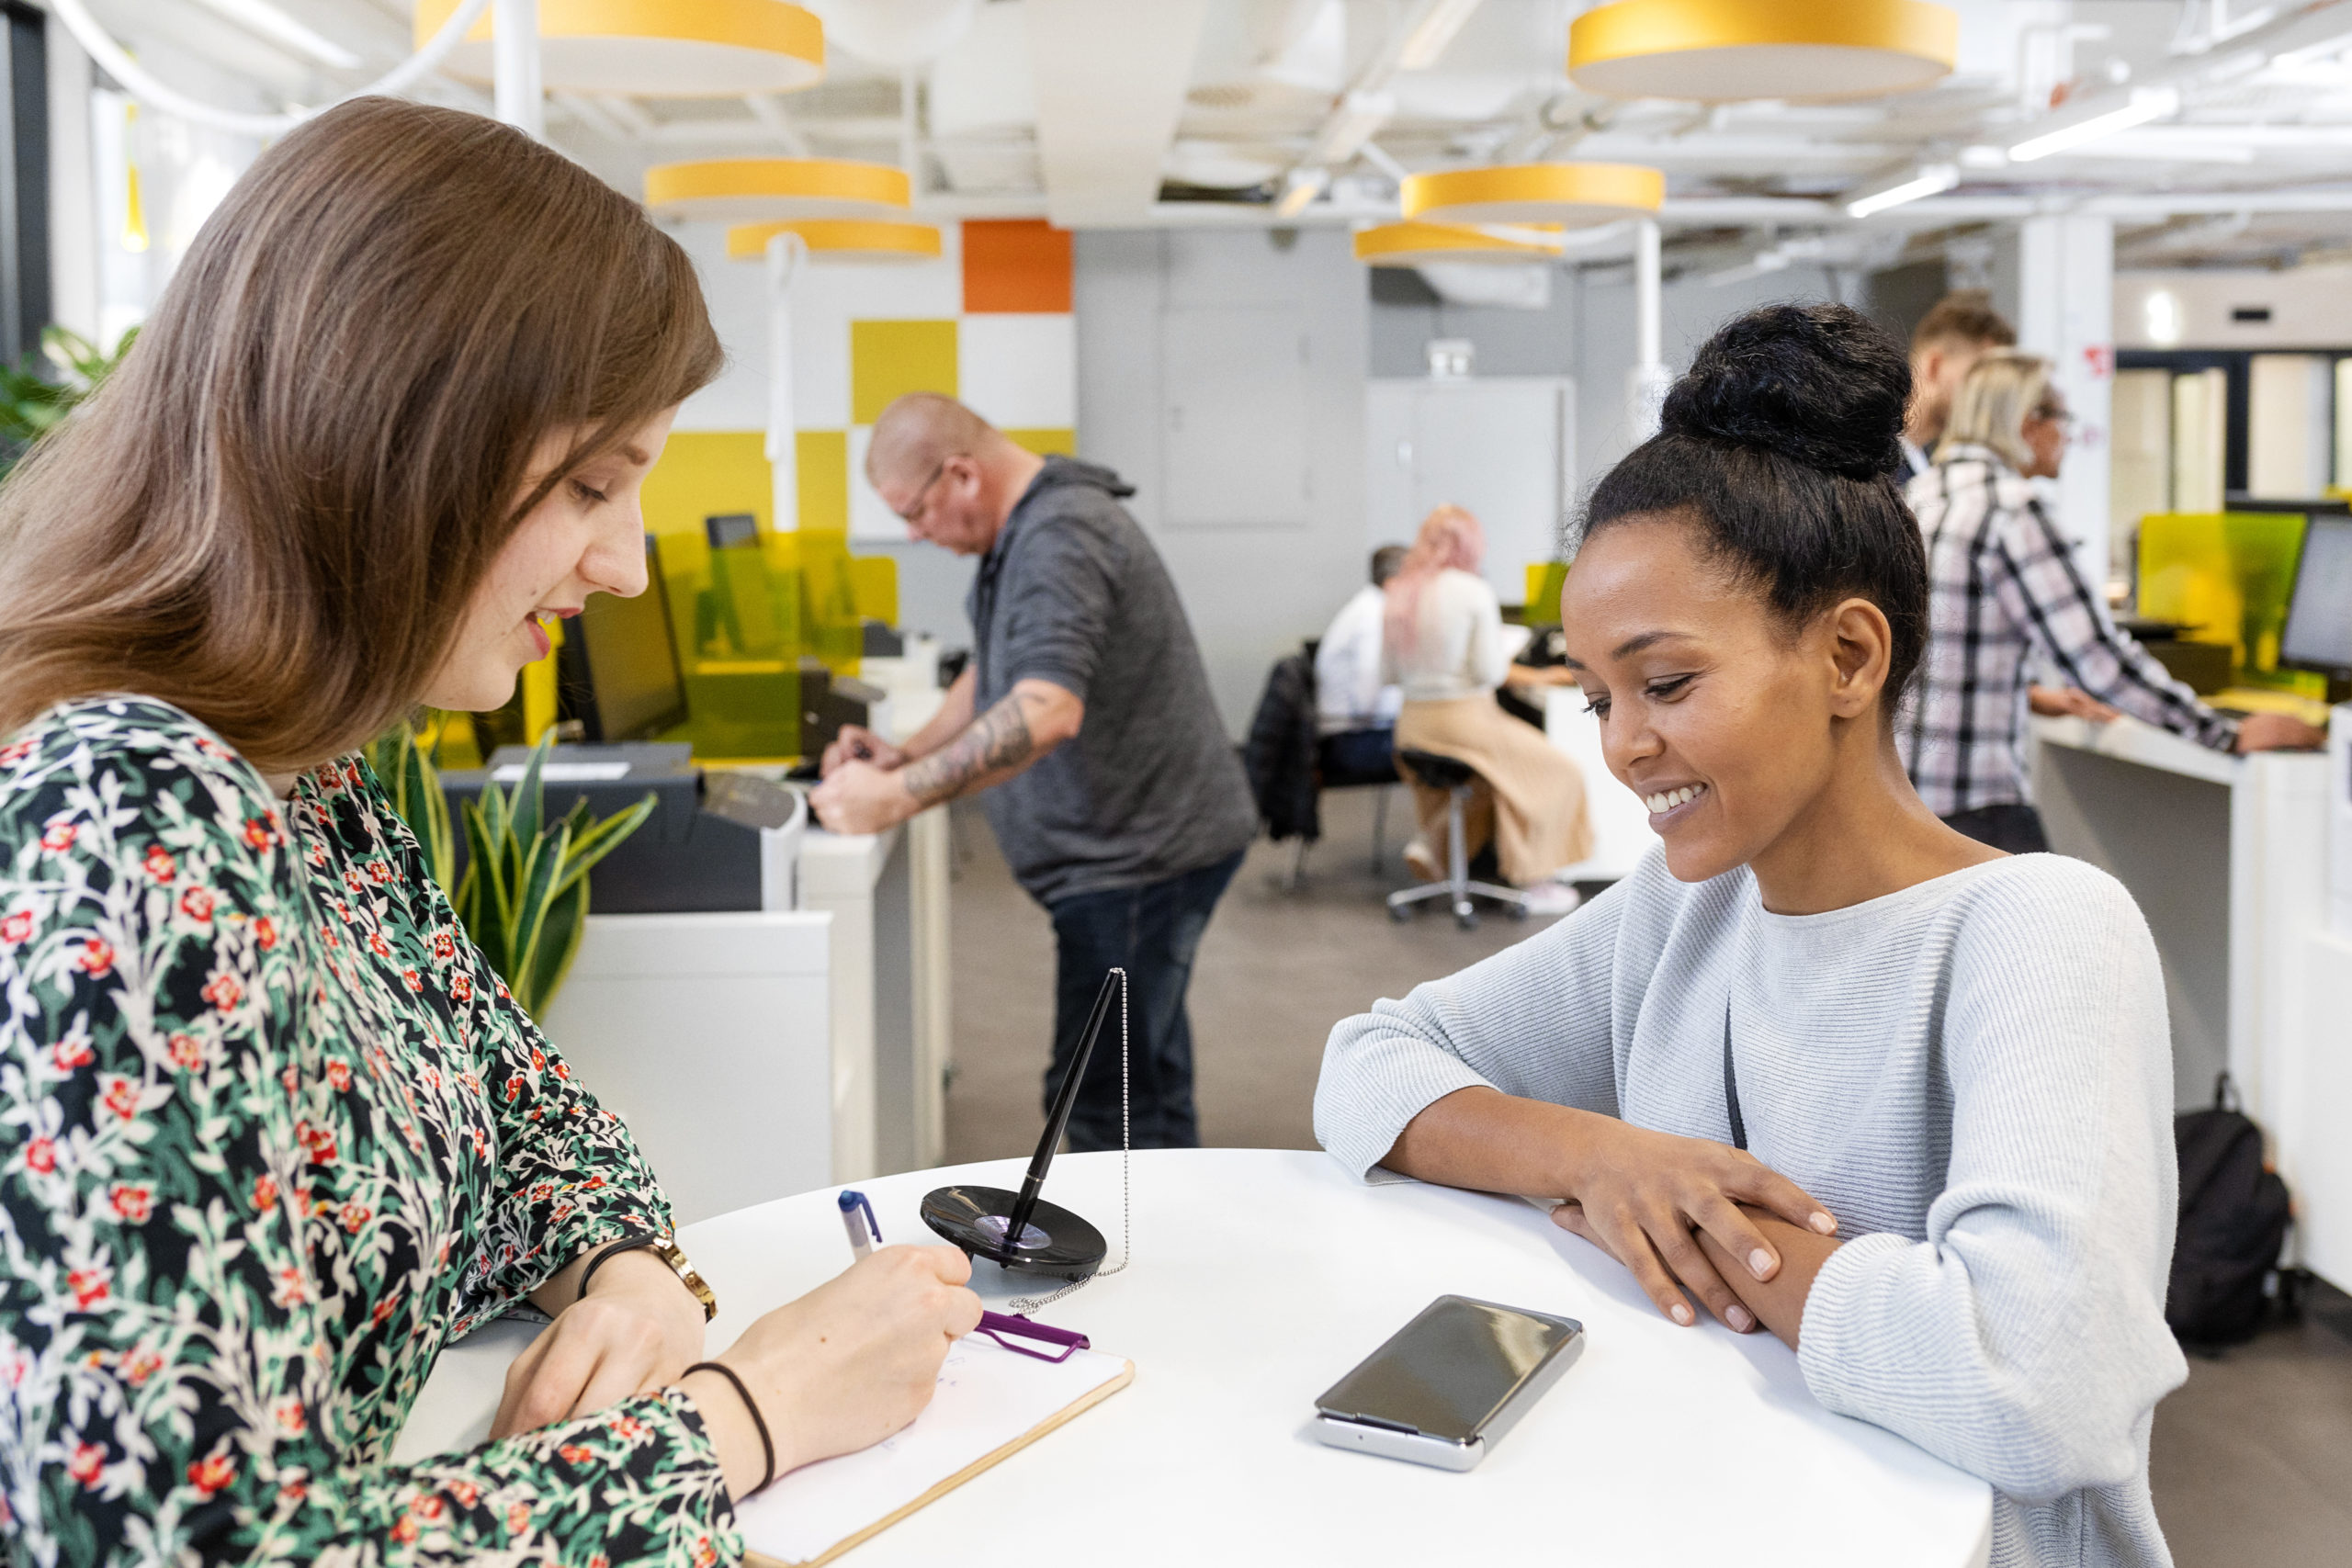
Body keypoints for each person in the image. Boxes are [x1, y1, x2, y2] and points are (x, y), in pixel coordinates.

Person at [0, 99, 982, 1567]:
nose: (628, 559)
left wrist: (628, 1268)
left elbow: (525, 1112)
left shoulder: (307, 780)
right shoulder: (126, 804)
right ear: (382, 448)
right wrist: (753, 1408)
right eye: (591, 484)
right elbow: (202, 1547)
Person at [1316, 303, 2185, 1568]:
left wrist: (1699, 1228)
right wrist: (1608, 1157)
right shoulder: (1689, 909)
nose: (1620, 743)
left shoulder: (2038, 929)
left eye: (1666, 684)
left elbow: (2040, 1376)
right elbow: (1368, 1062)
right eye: (1602, 695)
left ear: (1846, 653)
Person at [812, 395, 1255, 1151]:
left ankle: (1133, 1261)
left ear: (960, 475)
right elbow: (1002, 665)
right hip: (1138, 850)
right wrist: (907, 753)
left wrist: (892, 798)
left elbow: (1047, 708)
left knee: (1100, 1101)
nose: (918, 534)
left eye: (915, 512)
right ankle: (1177, 1228)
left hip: (1141, 858)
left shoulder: (1061, 534)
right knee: (1140, 1069)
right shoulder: (1029, 531)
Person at [1905, 351, 2324, 853]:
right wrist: (2222, 733)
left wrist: (2033, 694)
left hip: (1907, 795)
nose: (2068, 435)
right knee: (2054, 925)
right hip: (1973, 802)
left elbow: (1941, 649)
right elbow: (2098, 659)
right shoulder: (2012, 510)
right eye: (2062, 418)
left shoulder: (1919, 497)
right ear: (2028, 423)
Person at [1383, 505, 1591, 916]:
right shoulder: (1471, 590)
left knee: (1485, 779)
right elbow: (1489, 671)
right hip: (1464, 720)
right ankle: (1537, 879)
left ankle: (1434, 844)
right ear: (1470, 544)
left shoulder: (1400, 592)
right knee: (1555, 774)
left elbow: (1385, 673)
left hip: (1411, 725)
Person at [1901, 289, 2016, 483]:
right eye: (1980, 377)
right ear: (1934, 366)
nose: (1988, 395)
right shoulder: (1870, 467)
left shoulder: (1926, 467)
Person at [1315, 544, 1408, 777]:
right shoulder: (1374, 619)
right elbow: (1366, 704)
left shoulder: (1365, 607)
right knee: (1451, 751)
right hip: (1355, 744)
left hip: (1350, 737)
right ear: (1393, 582)